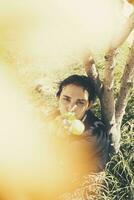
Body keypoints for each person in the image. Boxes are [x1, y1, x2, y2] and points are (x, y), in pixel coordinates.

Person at [46, 74, 110, 199]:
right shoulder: (55, 117)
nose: (71, 107)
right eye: (66, 99)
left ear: (89, 105)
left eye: (80, 102)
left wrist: (55, 136)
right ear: (58, 98)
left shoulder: (95, 132)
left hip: (78, 189)